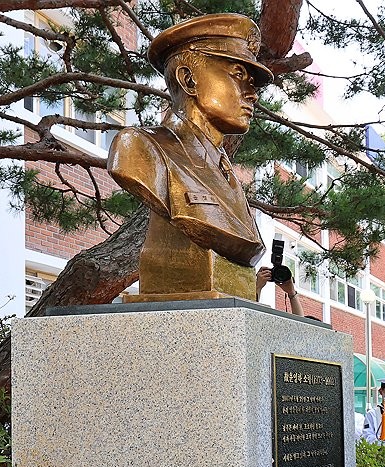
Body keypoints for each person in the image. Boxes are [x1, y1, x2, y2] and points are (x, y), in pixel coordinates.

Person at [107, 14, 273, 301]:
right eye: (237, 74)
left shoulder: (225, 172)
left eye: (252, 82)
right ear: (188, 79)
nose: (252, 94)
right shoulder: (141, 149)